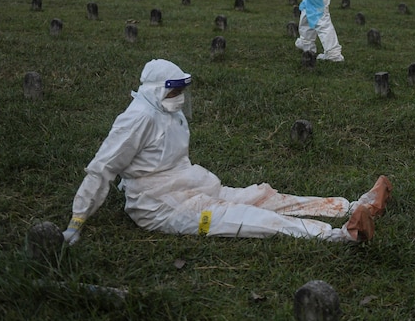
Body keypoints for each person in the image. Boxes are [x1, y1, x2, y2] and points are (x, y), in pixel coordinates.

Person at [62, 59, 391, 245]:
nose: (179, 95)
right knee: (249, 218)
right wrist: (77, 221)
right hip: (158, 206)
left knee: (261, 196)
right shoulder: (136, 118)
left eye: (182, 90)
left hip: (192, 185)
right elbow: (101, 169)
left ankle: (354, 206)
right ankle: (341, 237)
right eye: (174, 90)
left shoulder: (169, 111)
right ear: (155, 90)